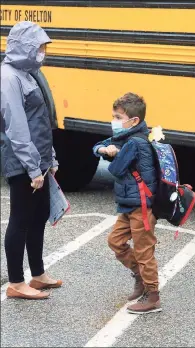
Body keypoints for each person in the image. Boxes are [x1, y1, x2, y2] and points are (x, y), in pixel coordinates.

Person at [1, 21, 63, 300]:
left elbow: (42, 120)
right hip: (22, 161)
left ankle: (37, 274)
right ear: (25, 46)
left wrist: (50, 159)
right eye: (39, 47)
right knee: (21, 219)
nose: (42, 52)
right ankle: (15, 281)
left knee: (38, 216)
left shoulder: (30, 73)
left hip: (39, 160)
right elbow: (16, 127)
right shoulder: (8, 77)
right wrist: (31, 167)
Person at [92, 92, 161, 314]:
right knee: (116, 241)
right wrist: (104, 149)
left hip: (142, 206)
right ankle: (139, 275)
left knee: (144, 251)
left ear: (134, 121)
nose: (114, 121)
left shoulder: (136, 143)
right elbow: (98, 146)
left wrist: (111, 152)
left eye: (118, 117)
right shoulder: (126, 139)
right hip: (129, 204)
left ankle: (152, 296)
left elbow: (115, 168)